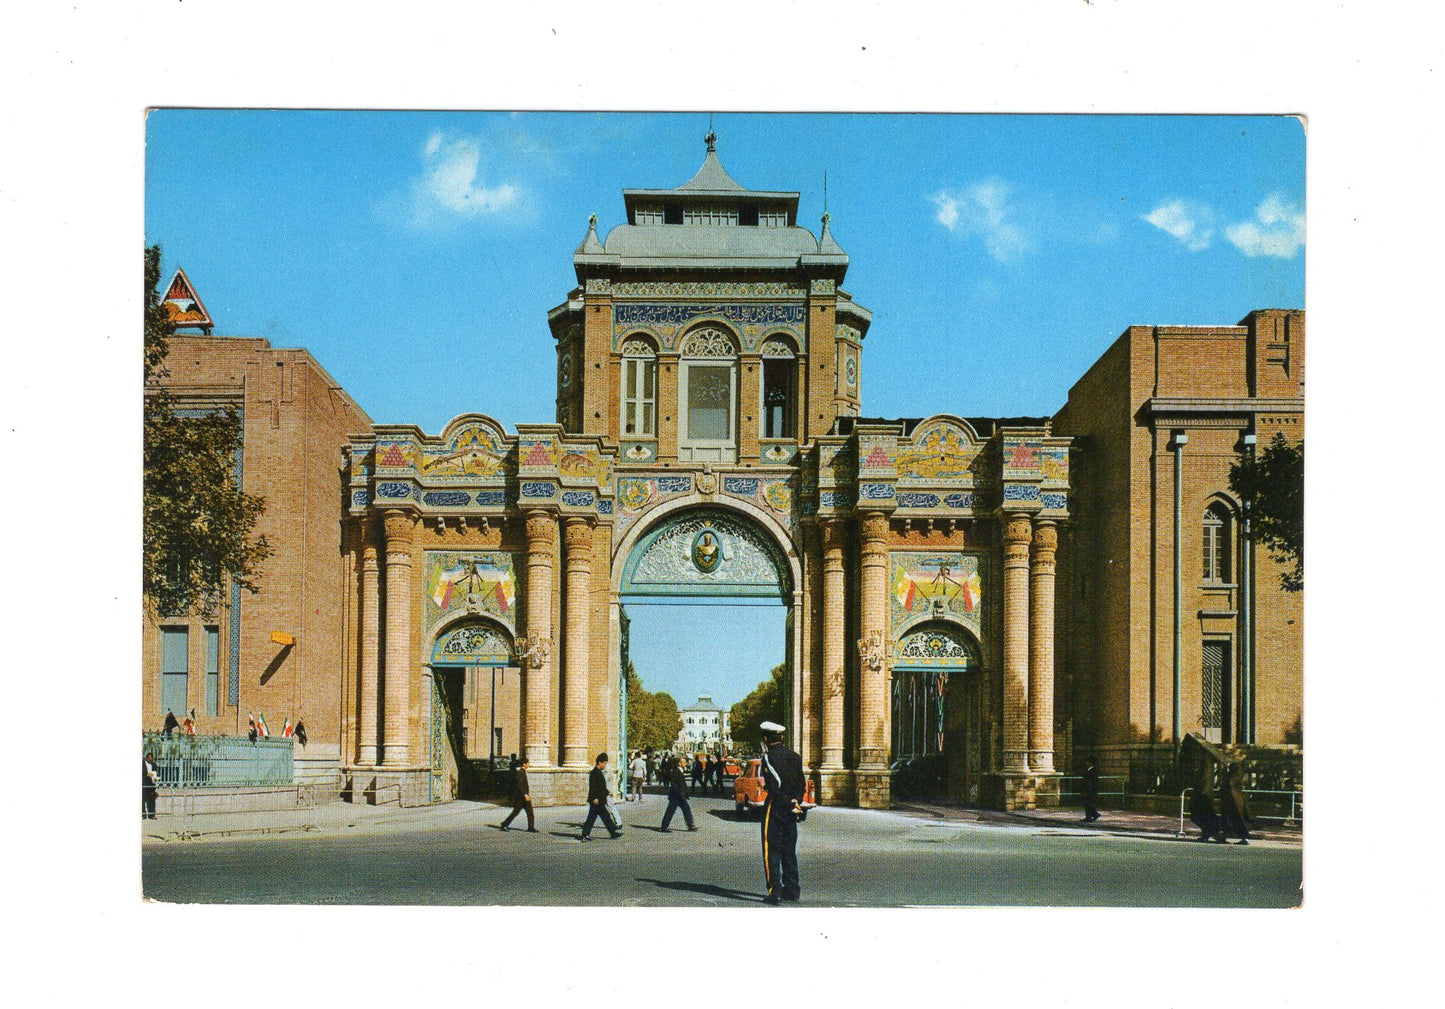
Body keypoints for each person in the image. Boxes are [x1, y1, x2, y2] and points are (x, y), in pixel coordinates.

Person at [758, 720, 805, 905]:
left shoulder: (768, 758)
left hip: (776, 807)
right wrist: (796, 801)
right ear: (782, 737)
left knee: (772, 850)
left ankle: (774, 891)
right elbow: (800, 783)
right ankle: (792, 890)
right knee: (789, 850)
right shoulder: (795, 757)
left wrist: (765, 785)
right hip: (792, 808)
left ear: (766, 739)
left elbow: (774, 786)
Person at [580, 752, 622, 841]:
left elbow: (601, 786)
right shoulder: (594, 773)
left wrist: (607, 792)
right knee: (592, 818)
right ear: (599, 762)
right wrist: (594, 798)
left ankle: (613, 832)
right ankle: (584, 835)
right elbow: (594, 787)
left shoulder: (599, 772)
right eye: (604, 763)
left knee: (605, 817)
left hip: (600, 799)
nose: (605, 765)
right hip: (596, 800)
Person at [1219, 762, 1255, 845]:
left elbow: (1227, 787)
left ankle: (1233, 836)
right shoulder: (1238, 776)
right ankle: (1241, 837)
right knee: (1235, 820)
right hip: (1236, 801)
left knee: (1232, 820)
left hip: (1231, 802)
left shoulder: (1230, 777)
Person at [660, 755, 697, 832]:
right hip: (676, 795)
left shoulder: (680, 771)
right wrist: (680, 793)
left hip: (679, 795)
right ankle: (664, 827)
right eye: (684, 762)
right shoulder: (675, 771)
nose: (685, 763)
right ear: (679, 763)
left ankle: (690, 825)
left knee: (686, 809)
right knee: (671, 811)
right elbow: (674, 784)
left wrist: (685, 793)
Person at [500, 755, 537, 832]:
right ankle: (504, 824)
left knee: (529, 812)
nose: (529, 764)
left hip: (523, 796)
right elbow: (520, 785)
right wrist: (525, 795)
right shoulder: (520, 773)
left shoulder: (522, 772)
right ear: (524, 764)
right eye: (528, 763)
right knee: (516, 812)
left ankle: (531, 827)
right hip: (522, 797)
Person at [1080, 758, 1101, 823]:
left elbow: (1090, 781)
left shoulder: (1094, 770)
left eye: (1088, 762)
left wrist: (1087, 790)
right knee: (1088, 803)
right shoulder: (1089, 770)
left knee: (1088, 803)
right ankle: (1093, 815)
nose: (1086, 763)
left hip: (1090, 789)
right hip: (1088, 789)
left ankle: (1090, 816)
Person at [141, 752, 159, 819]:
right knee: (142, 800)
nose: (150, 759)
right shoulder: (142, 764)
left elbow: (156, 773)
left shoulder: (154, 765)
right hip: (144, 784)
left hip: (151, 784)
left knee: (151, 800)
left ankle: (151, 815)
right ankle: (143, 814)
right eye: (149, 757)